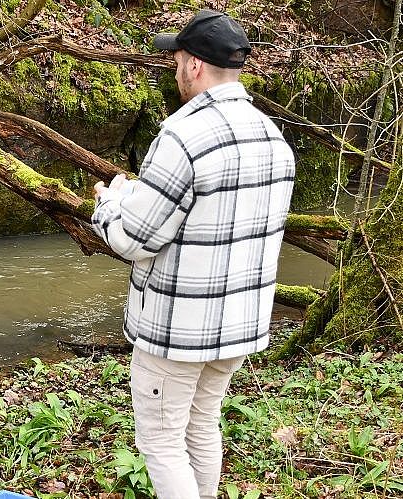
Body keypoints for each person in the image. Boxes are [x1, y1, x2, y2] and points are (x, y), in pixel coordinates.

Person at [91, 9, 295, 499]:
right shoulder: (273, 137)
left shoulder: (183, 136)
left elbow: (132, 238)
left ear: (196, 66)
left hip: (176, 333)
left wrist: (109, 203)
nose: (175, 69)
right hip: (238, 327)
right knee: (201, 428)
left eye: (177, 59)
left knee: (162, 443)